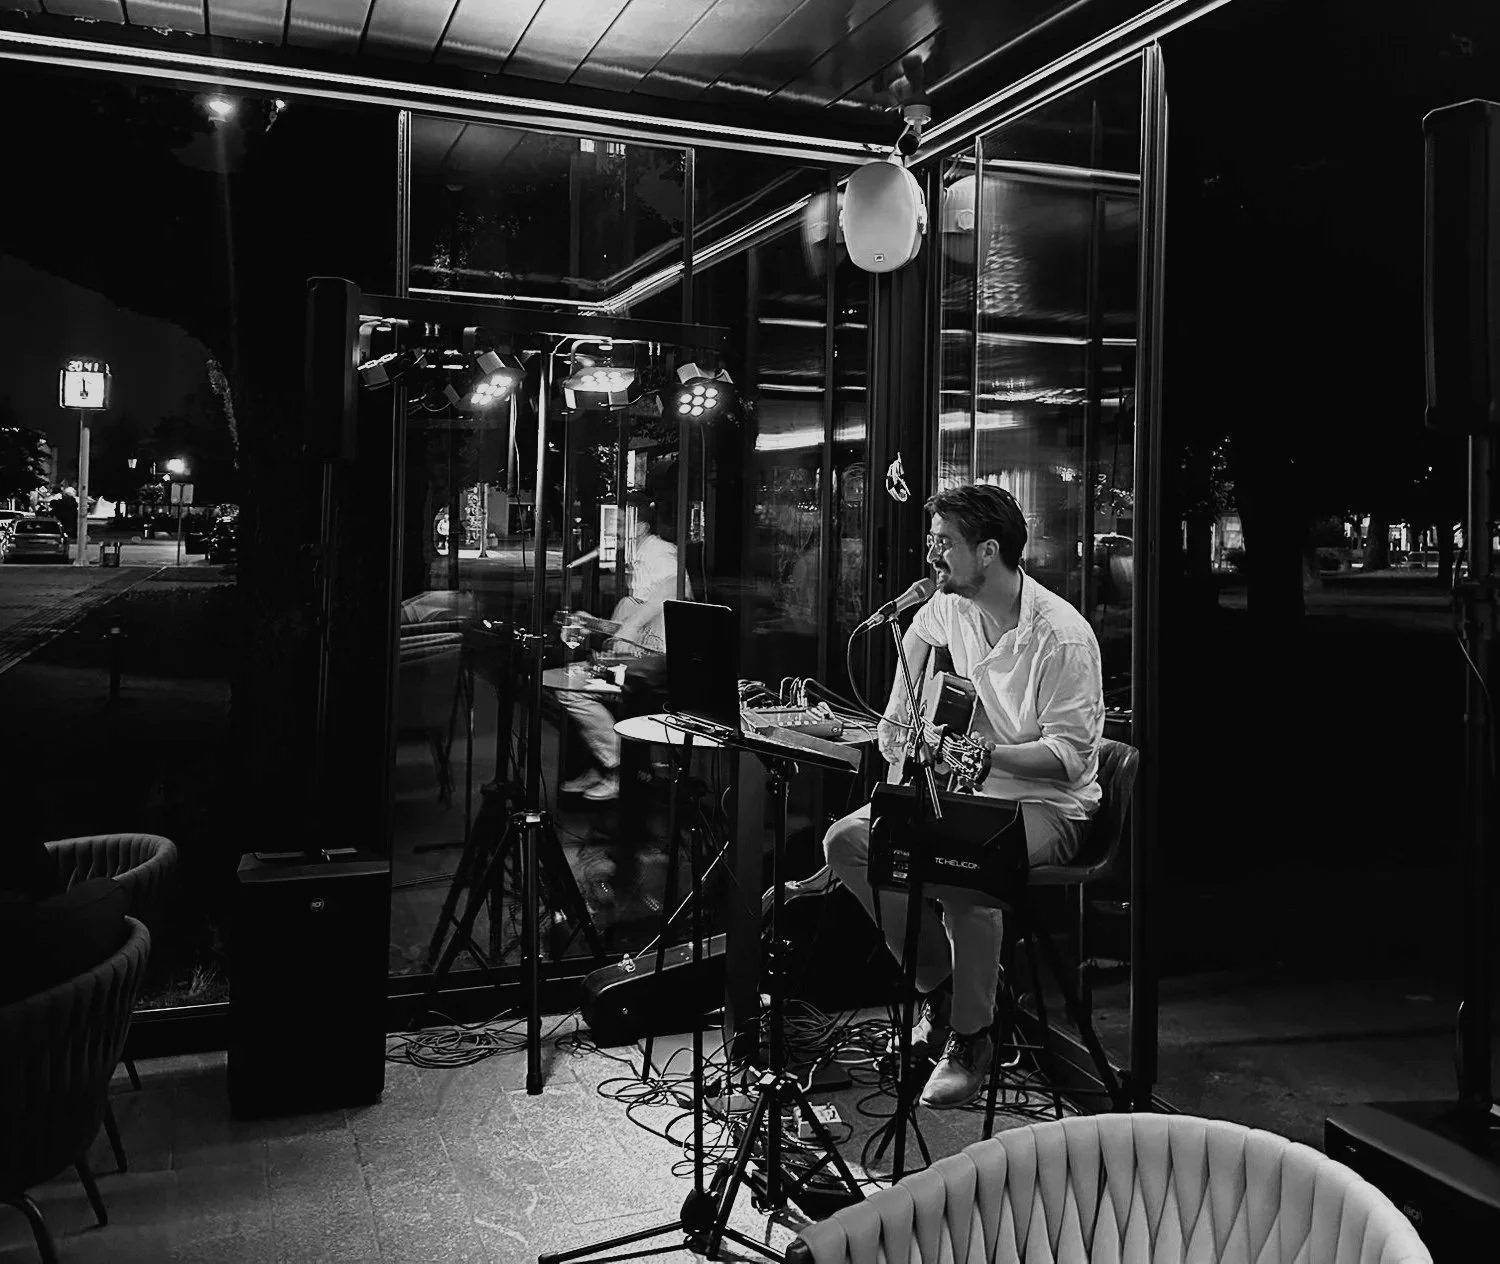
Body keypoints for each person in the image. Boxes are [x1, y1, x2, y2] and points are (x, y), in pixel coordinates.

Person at [822, 482, 1104, 1108]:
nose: (931, 555)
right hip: (970, 795)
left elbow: (1069, 760)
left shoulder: (1062, 637)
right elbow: (918, 633)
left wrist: (984, 756)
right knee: (848, 843)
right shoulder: (954, 605)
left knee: (959, 864)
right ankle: (943, 991)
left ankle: (974, 1037)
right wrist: (904, 714)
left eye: (943, 542)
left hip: (1049, 807)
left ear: (988, 551)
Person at [559, 493, 684, 802]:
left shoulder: (659, 552)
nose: (611, 530)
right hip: (641, 657)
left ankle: (617, 765)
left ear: (639, 527)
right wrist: (592, 624)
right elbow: (633, 622)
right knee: (572, 680)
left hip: (661, 662)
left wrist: (632, 624)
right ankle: (604, 764)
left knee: (571, 688)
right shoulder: (635, 559)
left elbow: (676, 589)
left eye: (618, 523)